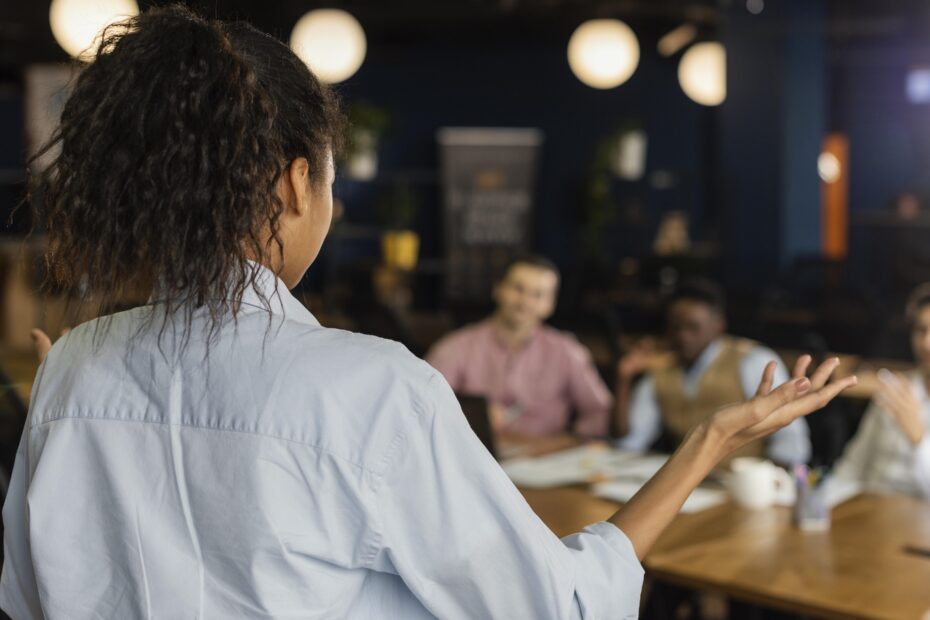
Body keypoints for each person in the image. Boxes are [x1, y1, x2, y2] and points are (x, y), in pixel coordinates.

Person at [0, 7, 855, 619]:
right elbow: (561, 607)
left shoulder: (73, 369)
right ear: (296, 182)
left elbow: (32, 594)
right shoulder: (369, 390)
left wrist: (79, 390)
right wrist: (709, 443)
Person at [615, 278, 811, 464]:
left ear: (718, 325)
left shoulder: (753, 361)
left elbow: (791, 443)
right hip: (681, 486)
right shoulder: (661, 368)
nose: (683, 336)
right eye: (676, 327)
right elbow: (629, 440)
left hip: (739, 485)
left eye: (693, 327)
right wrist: (623, 377)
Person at [426, 256, 611, 438]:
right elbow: (423, 403)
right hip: (476, 455)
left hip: (547, 457)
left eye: (538, 295)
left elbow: (599, 410)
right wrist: (468, 416)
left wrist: (572, 443)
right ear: (497, 289)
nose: (525, 302)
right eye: (518, 289)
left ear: (550, 304)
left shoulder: (567, 351)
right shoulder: (456, 347)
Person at [829, 285, 930, 497]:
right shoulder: (897, 388)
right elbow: (853, 467)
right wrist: (819, 508)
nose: (926, 343)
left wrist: (919, 438)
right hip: (868, 512)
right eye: (921, 331)